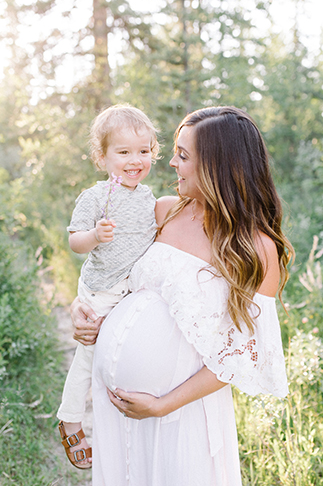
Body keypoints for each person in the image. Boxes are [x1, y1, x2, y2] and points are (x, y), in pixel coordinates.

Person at [70, 106, 294, 485]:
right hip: (117, 411)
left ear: (218, 166)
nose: (171, 163)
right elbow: (113, 273)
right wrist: (84, 309)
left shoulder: (256, 249)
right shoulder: (164, 212)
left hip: (181, 416)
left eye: (183, 155)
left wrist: (162, 405)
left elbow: (239, 354)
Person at [57, 104, 159, 469]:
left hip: (130, 292)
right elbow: (74, 242)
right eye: (124, 152)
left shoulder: (148, 198)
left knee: (118, 359)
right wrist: (95, 236)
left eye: (144, 151)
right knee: (88, 356)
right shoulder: (96, 196)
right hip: (101, 290)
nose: (136, 160)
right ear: (102, 158)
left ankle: (119, 438)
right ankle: (70, 417)